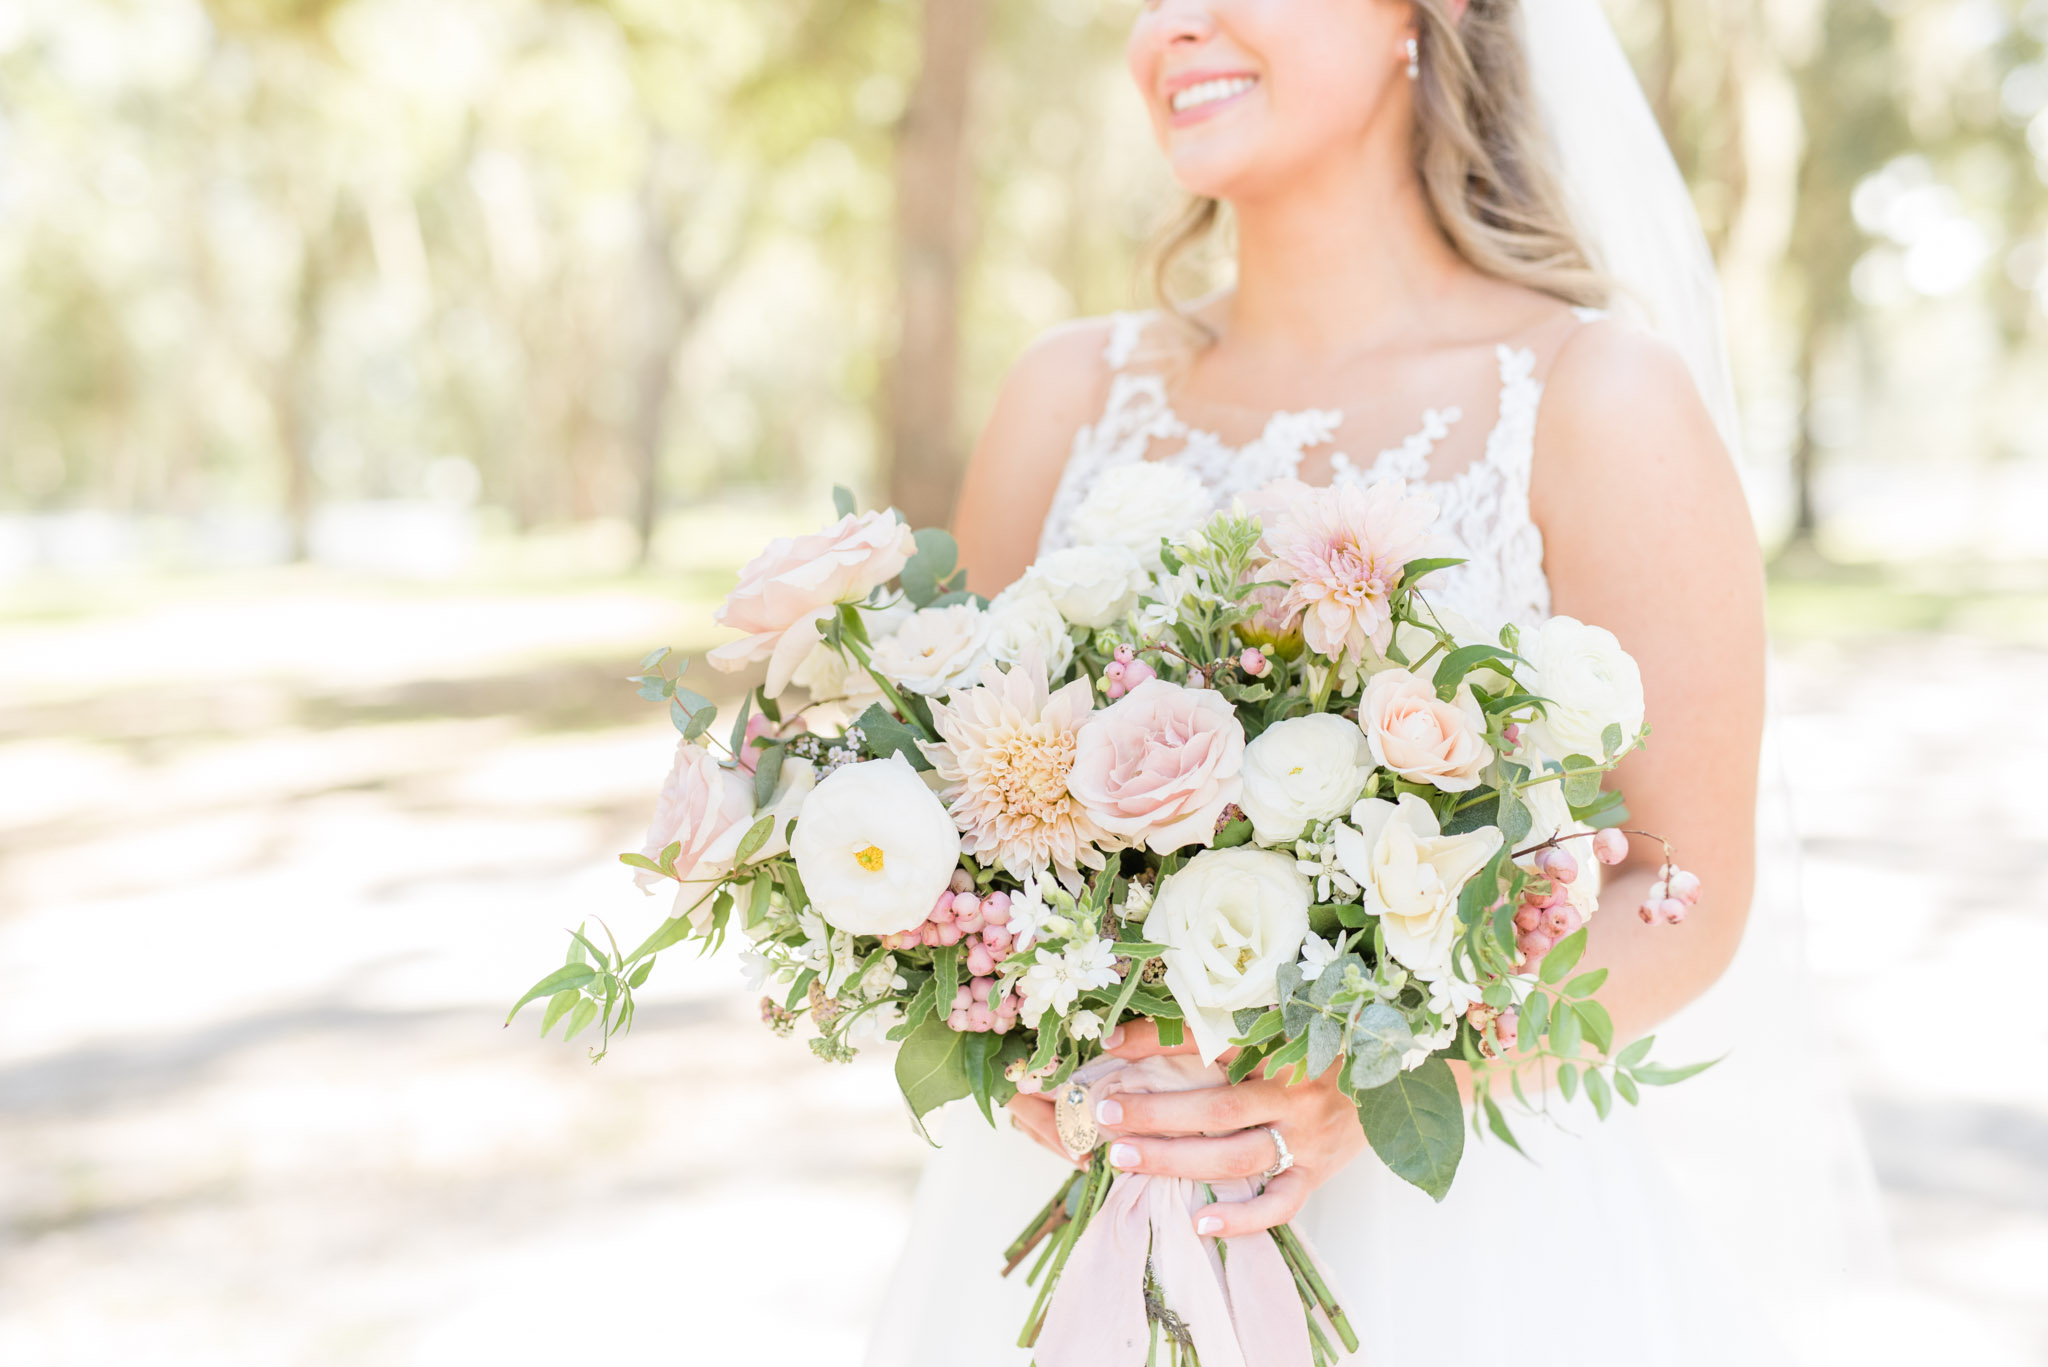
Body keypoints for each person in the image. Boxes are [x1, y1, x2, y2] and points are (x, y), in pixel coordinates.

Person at [865, 3, 1882, 1362]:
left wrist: (1392, 1077)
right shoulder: (1064, 397)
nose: (1177, 24)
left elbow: (1688, 892)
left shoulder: (1595, 399)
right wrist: (1015, 1033)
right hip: (1084, 1218)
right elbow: (950, 825)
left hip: (1458, 1258)